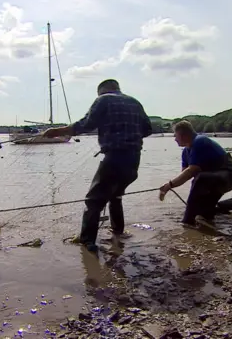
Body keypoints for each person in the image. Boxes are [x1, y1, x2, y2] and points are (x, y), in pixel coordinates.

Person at [42, 79, 152, 251]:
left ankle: (87, 243)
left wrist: (57, 131)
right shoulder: (135, 102)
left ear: (101, 90)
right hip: (134, 160)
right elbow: (147, 129)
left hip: (114, 157)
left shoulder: (103, 100)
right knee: (116, 196)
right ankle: (118, 232)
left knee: (93, 202)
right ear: (118, 88)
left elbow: (86, 124)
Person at [159, 120, 232, 227]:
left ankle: (188, 222)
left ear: (184, 135)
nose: (175, 139)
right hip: (211, 181)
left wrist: (169, 185)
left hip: (229, 176)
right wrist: (167, 187)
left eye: (176, 136)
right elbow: (185, 175)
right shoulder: (185, 152)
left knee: (200, 179)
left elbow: (192, 171)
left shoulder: (200, 141)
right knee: (203, 211)